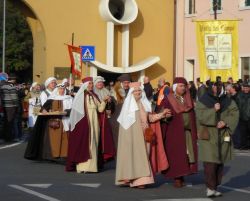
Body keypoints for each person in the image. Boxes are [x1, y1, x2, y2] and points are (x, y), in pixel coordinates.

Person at [115, 82, 169, 188]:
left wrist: (162, 114)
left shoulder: (144, 104)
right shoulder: (127, 106)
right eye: (135, 91)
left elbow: (150, 118)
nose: (138, 92)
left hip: (144, 135)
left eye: (139, 90)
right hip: (132, 137)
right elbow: (125, 126)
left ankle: (138, 180)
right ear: (131, 93)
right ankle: (139, 181)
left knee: (144, 156)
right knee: (136, 157)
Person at [196, 81, 239, 197]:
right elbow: (200, 116)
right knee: (210, 162)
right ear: (210, 87)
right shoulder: (203, 100)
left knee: (220, 162)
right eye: (214, 85)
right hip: (208, 134)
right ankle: (210, 187)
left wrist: (225, 122)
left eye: (219, 86)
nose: (216, 88)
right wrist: (213, 110)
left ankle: (214, 186)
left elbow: (234, 113)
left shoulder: (228, 100)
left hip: (223, 133)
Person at [160, 77, 198, 187]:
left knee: (187, 154)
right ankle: (177, 177)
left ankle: (182, 175)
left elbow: (192, 115)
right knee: (176, 155)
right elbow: (162, 113)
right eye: (181, 86)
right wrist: (165, 116)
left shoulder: (188, 99)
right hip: (174, 132)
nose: (183, 88)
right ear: (175, 87)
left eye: (184, 86)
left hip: (187, 132)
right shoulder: (168, 99)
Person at [66, 77, 107, 173]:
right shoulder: (81, 96)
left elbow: (100, 109)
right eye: (89, 84)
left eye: (92, 84)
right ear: (85, 85)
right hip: (84, 124)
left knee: (94, 143)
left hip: (94, 123)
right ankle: (83, 167)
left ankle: (92, 167)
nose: (91, 85)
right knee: (85, 143)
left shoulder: (94, 95)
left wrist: (104, 101)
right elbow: (77, 112)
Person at [24, 83, 73, 160]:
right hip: (54, 122)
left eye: (63, 89)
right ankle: (54, 154)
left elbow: (73, 109)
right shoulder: (52, 98)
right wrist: (43, 110)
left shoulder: (69, 98)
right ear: (57, 90)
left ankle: (65, 154)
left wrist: (67, 111)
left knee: (65, 139)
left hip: (66, 121)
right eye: (60, 89)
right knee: (54, 139)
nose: (61, 90)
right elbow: (44, 107)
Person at [93, 76, 116, 163]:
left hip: (105, 116)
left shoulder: (106, 91)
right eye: (98, 83)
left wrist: (110, 102)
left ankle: (107, 154)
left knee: (106, 134)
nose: (100, 84)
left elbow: (111, 103)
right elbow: (95, 104)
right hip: (97, 115)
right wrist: (104, 99)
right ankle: (98, 153)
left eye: (101, 82)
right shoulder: (93, 92)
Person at [0, 73, 20, 142]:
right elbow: (14, 98)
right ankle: (9, 138)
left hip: (4, 106)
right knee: (10, 122)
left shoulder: (2, 86)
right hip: (11, 106)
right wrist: (16, 106)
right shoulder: (11, 87)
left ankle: (4, 137)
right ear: (13, 80)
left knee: (5, 122)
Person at [236, 81, 250, 150]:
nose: (246, 89)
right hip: (242, 117)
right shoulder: (239, 95)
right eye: (245, 88)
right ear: (243, 88)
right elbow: (237, 106)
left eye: (247, 88)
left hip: (249, 117)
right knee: (243, 133)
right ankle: (244, 145)